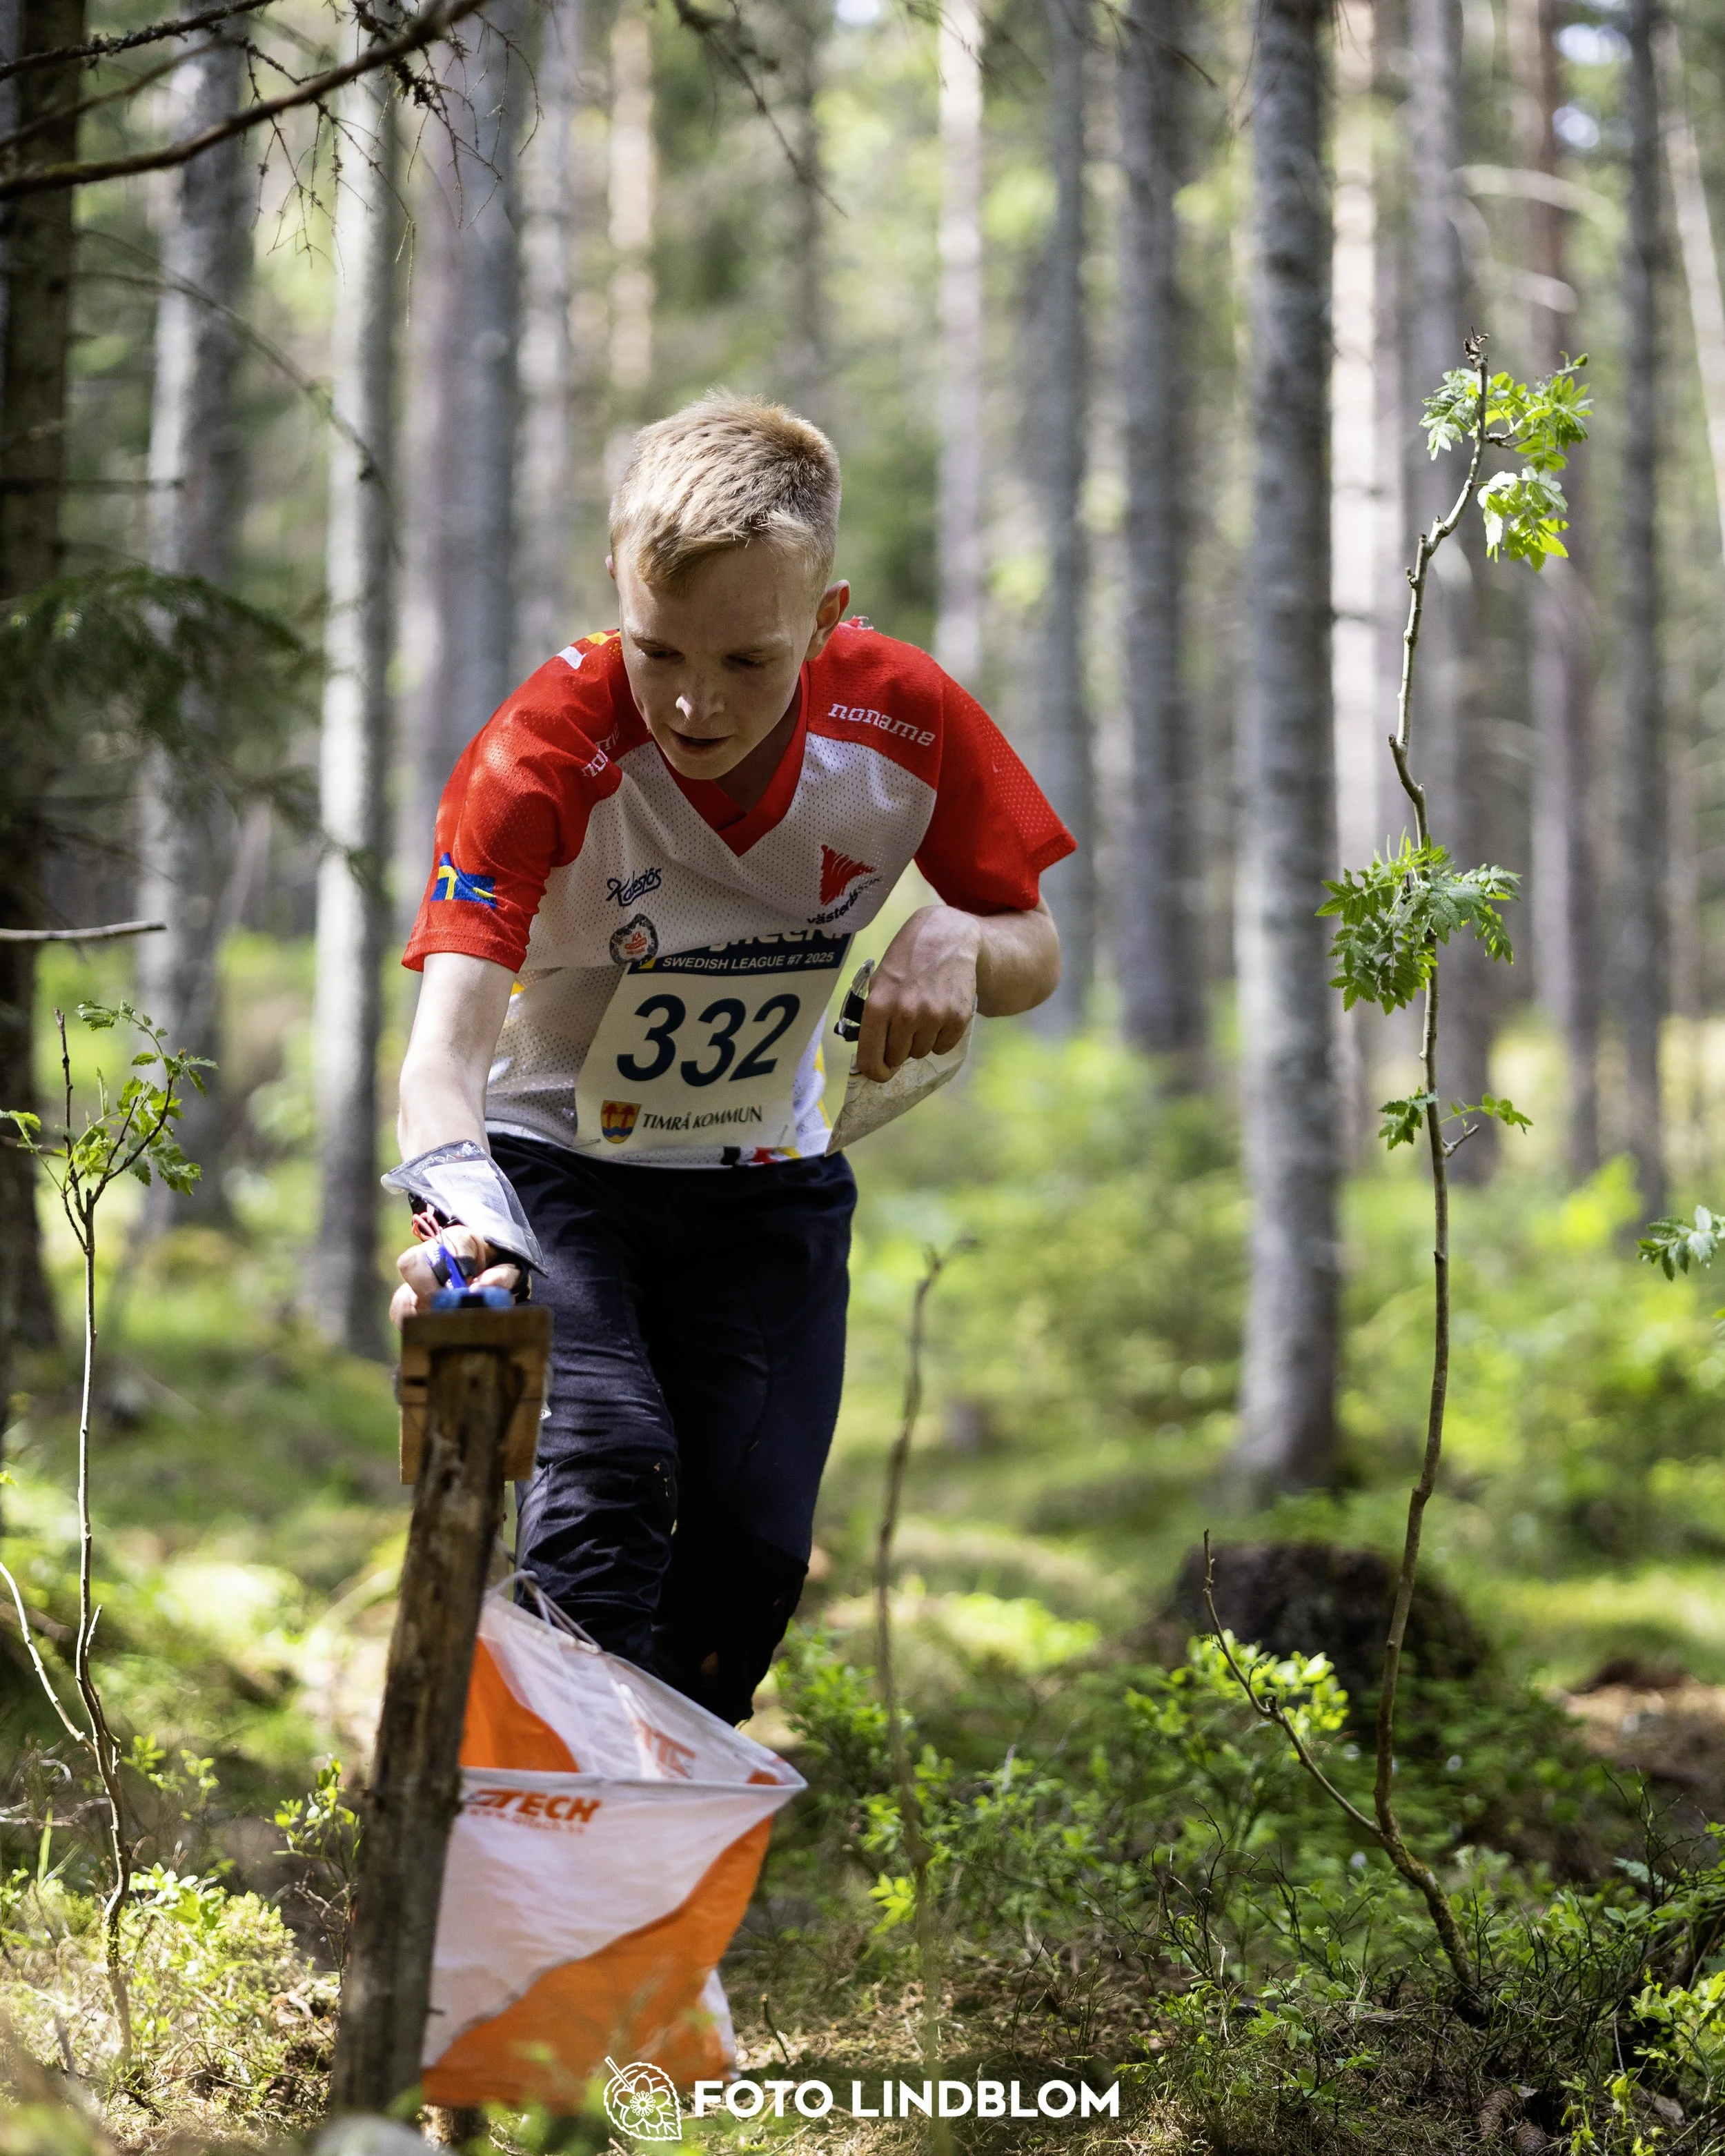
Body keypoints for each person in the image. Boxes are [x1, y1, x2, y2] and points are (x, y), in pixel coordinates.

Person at [389, 393, 1072, 1725]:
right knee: (611, 1475)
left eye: (750, 662)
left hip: (766, 1178)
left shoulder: (904, 716)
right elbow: (444, 1052)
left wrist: (956, 945)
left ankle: (649, 1871)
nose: (696, 702)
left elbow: (1035, 949)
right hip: (557, 1168)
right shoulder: (543, 746)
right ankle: (555, 1846)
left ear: (828, 617)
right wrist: (458, 1215)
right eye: (659, 653)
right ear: (615, 590)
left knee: (753, 1555)